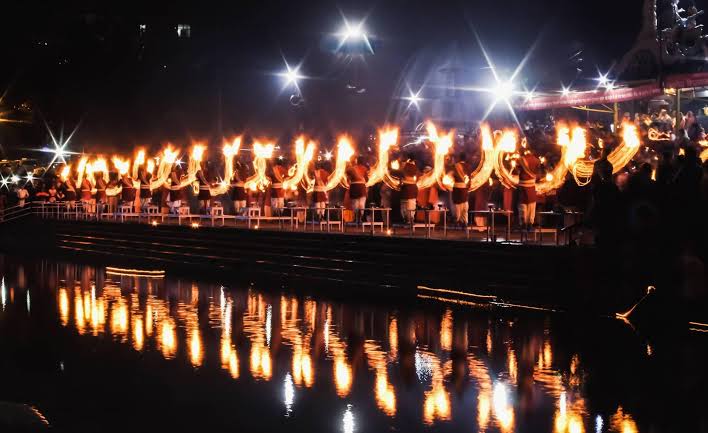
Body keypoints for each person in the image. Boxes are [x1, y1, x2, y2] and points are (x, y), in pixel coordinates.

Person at [517, 149, 540, 229]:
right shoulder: (537, 160)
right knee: (532, 205)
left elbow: (517, 171)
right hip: (531, 186)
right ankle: (530, 222)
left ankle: (523, 222)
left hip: (522, 186)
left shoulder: (521, 159)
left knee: (522, 205)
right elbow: (538, 174)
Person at [451, 153, 471, 226]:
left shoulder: (456, 166)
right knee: (465, 205)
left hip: (457, 188)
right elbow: (469, 178)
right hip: (465, 188)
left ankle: (458, 221)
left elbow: (452, 176)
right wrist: (468, 188)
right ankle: (465, 221)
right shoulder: (468, 166)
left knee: (458, 206)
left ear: (459, 158)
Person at [347, 156, 368, 224]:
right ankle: (360, 217)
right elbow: (367, 179)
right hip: (362, 187)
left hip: (354, 187)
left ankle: (356, 217)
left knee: (355, 204)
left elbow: (348, 179)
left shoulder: (351, 169)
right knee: (362, 204)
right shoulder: (364, 169)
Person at [399, 154, 419, 223]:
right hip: (408, 189)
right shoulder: (413, 167)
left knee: (408, 205)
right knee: (408, 205)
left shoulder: (406, 166)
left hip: (409, 189)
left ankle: (408, 219)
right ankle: (408, 219)